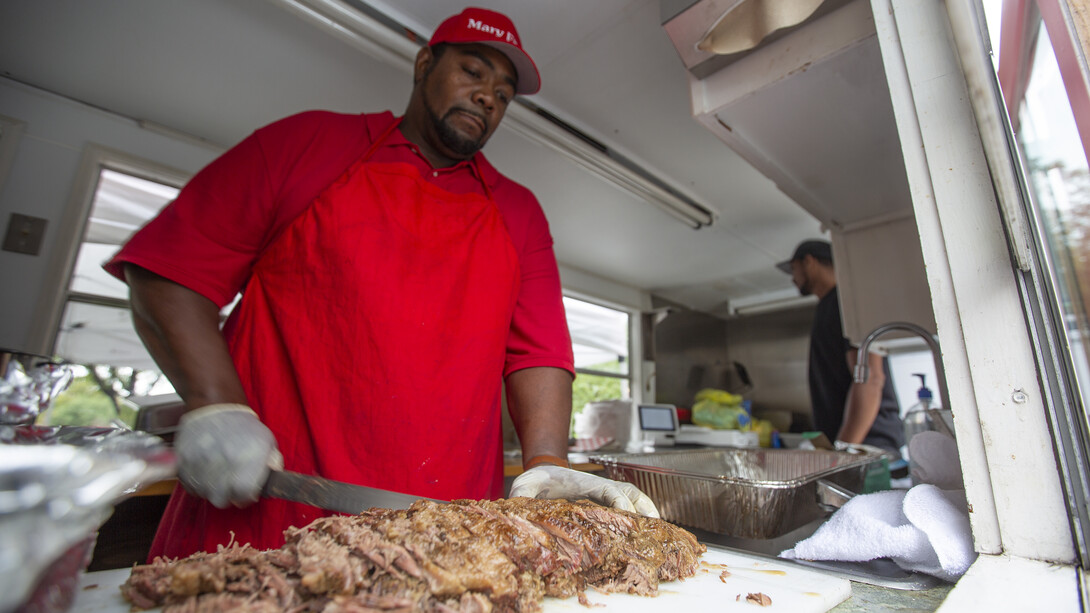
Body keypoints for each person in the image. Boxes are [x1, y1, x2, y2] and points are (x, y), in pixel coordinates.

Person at [106, 7, 657, 560]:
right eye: (472, 71)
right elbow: (172, 271)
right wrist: (215, 406)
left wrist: (548, 464)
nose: (489, 97)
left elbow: (537, 353)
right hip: (266, 524)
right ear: (424, 64)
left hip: (447, 541)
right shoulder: (309, 144)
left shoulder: (518, 212)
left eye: (504, 93)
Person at [777, 240, 903, 454]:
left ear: (809, 261)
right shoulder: (829, 305)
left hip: (867, 449)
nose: (792, 277)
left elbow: (870, 378)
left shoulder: (847, 303)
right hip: (856, 448)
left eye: (794, 268)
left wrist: (844, 451)